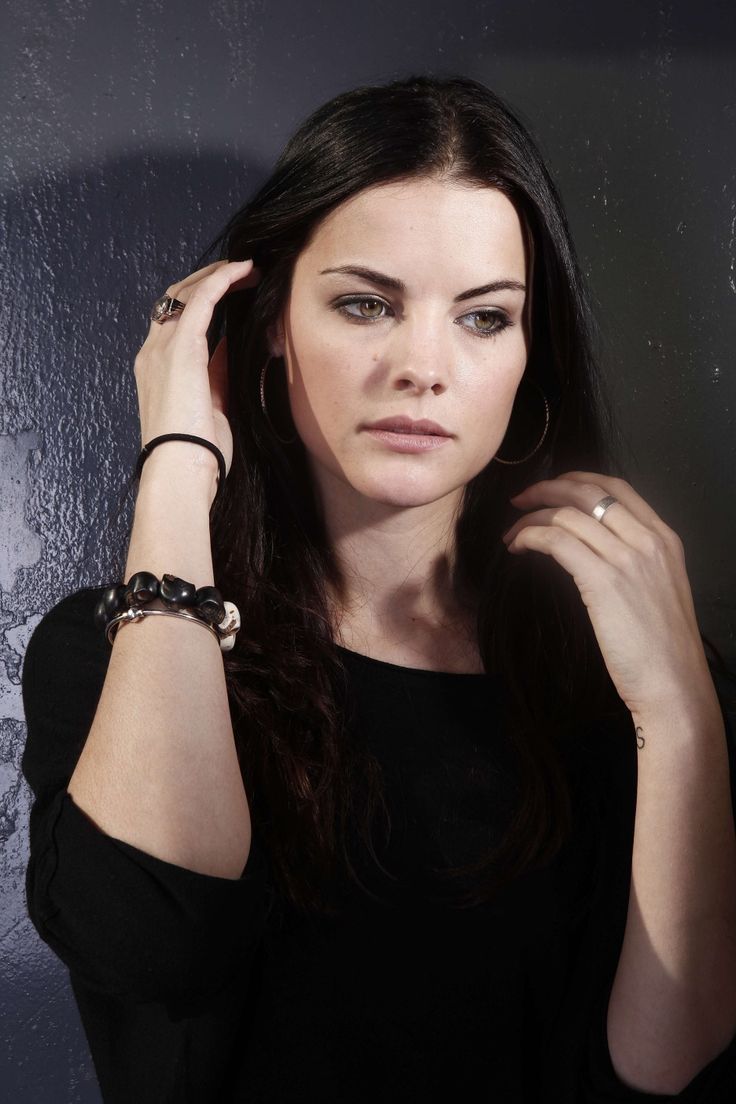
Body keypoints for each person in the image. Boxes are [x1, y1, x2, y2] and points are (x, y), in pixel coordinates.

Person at [20, 73, 736, 1103]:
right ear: (267, 322)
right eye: (365, 304)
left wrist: (678, 715)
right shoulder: (107, 656)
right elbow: (149, 945)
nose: (424, 366)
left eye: (484, 319)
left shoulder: (621, 683)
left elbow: (666, 1068)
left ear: (530, 354)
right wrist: (179, 452)